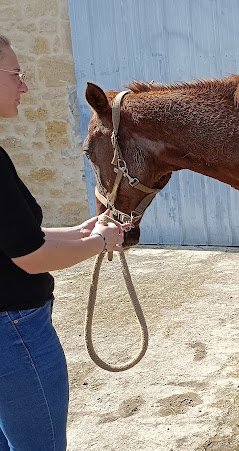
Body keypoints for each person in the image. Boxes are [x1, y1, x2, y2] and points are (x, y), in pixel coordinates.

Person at [0, 34, 125, 450]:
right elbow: (31, 258)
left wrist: (82, 232)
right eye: (16, 75)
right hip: (14, 332)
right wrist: (100, 242)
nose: (25, 86)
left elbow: (17, 242)